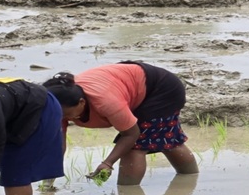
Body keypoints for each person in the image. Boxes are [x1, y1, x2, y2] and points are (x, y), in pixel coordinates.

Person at [42, 62, 199, 186]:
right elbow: (58, 143)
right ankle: (190, 179)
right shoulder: (57, 106)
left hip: (161, 90)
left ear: (82, 102)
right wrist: (50, 176)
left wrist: (107, 163)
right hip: (133, 85)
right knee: (167, 139)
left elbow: (131, 133)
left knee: (134, 148)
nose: (66, 119)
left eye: (68, 114)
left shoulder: (105, 102)